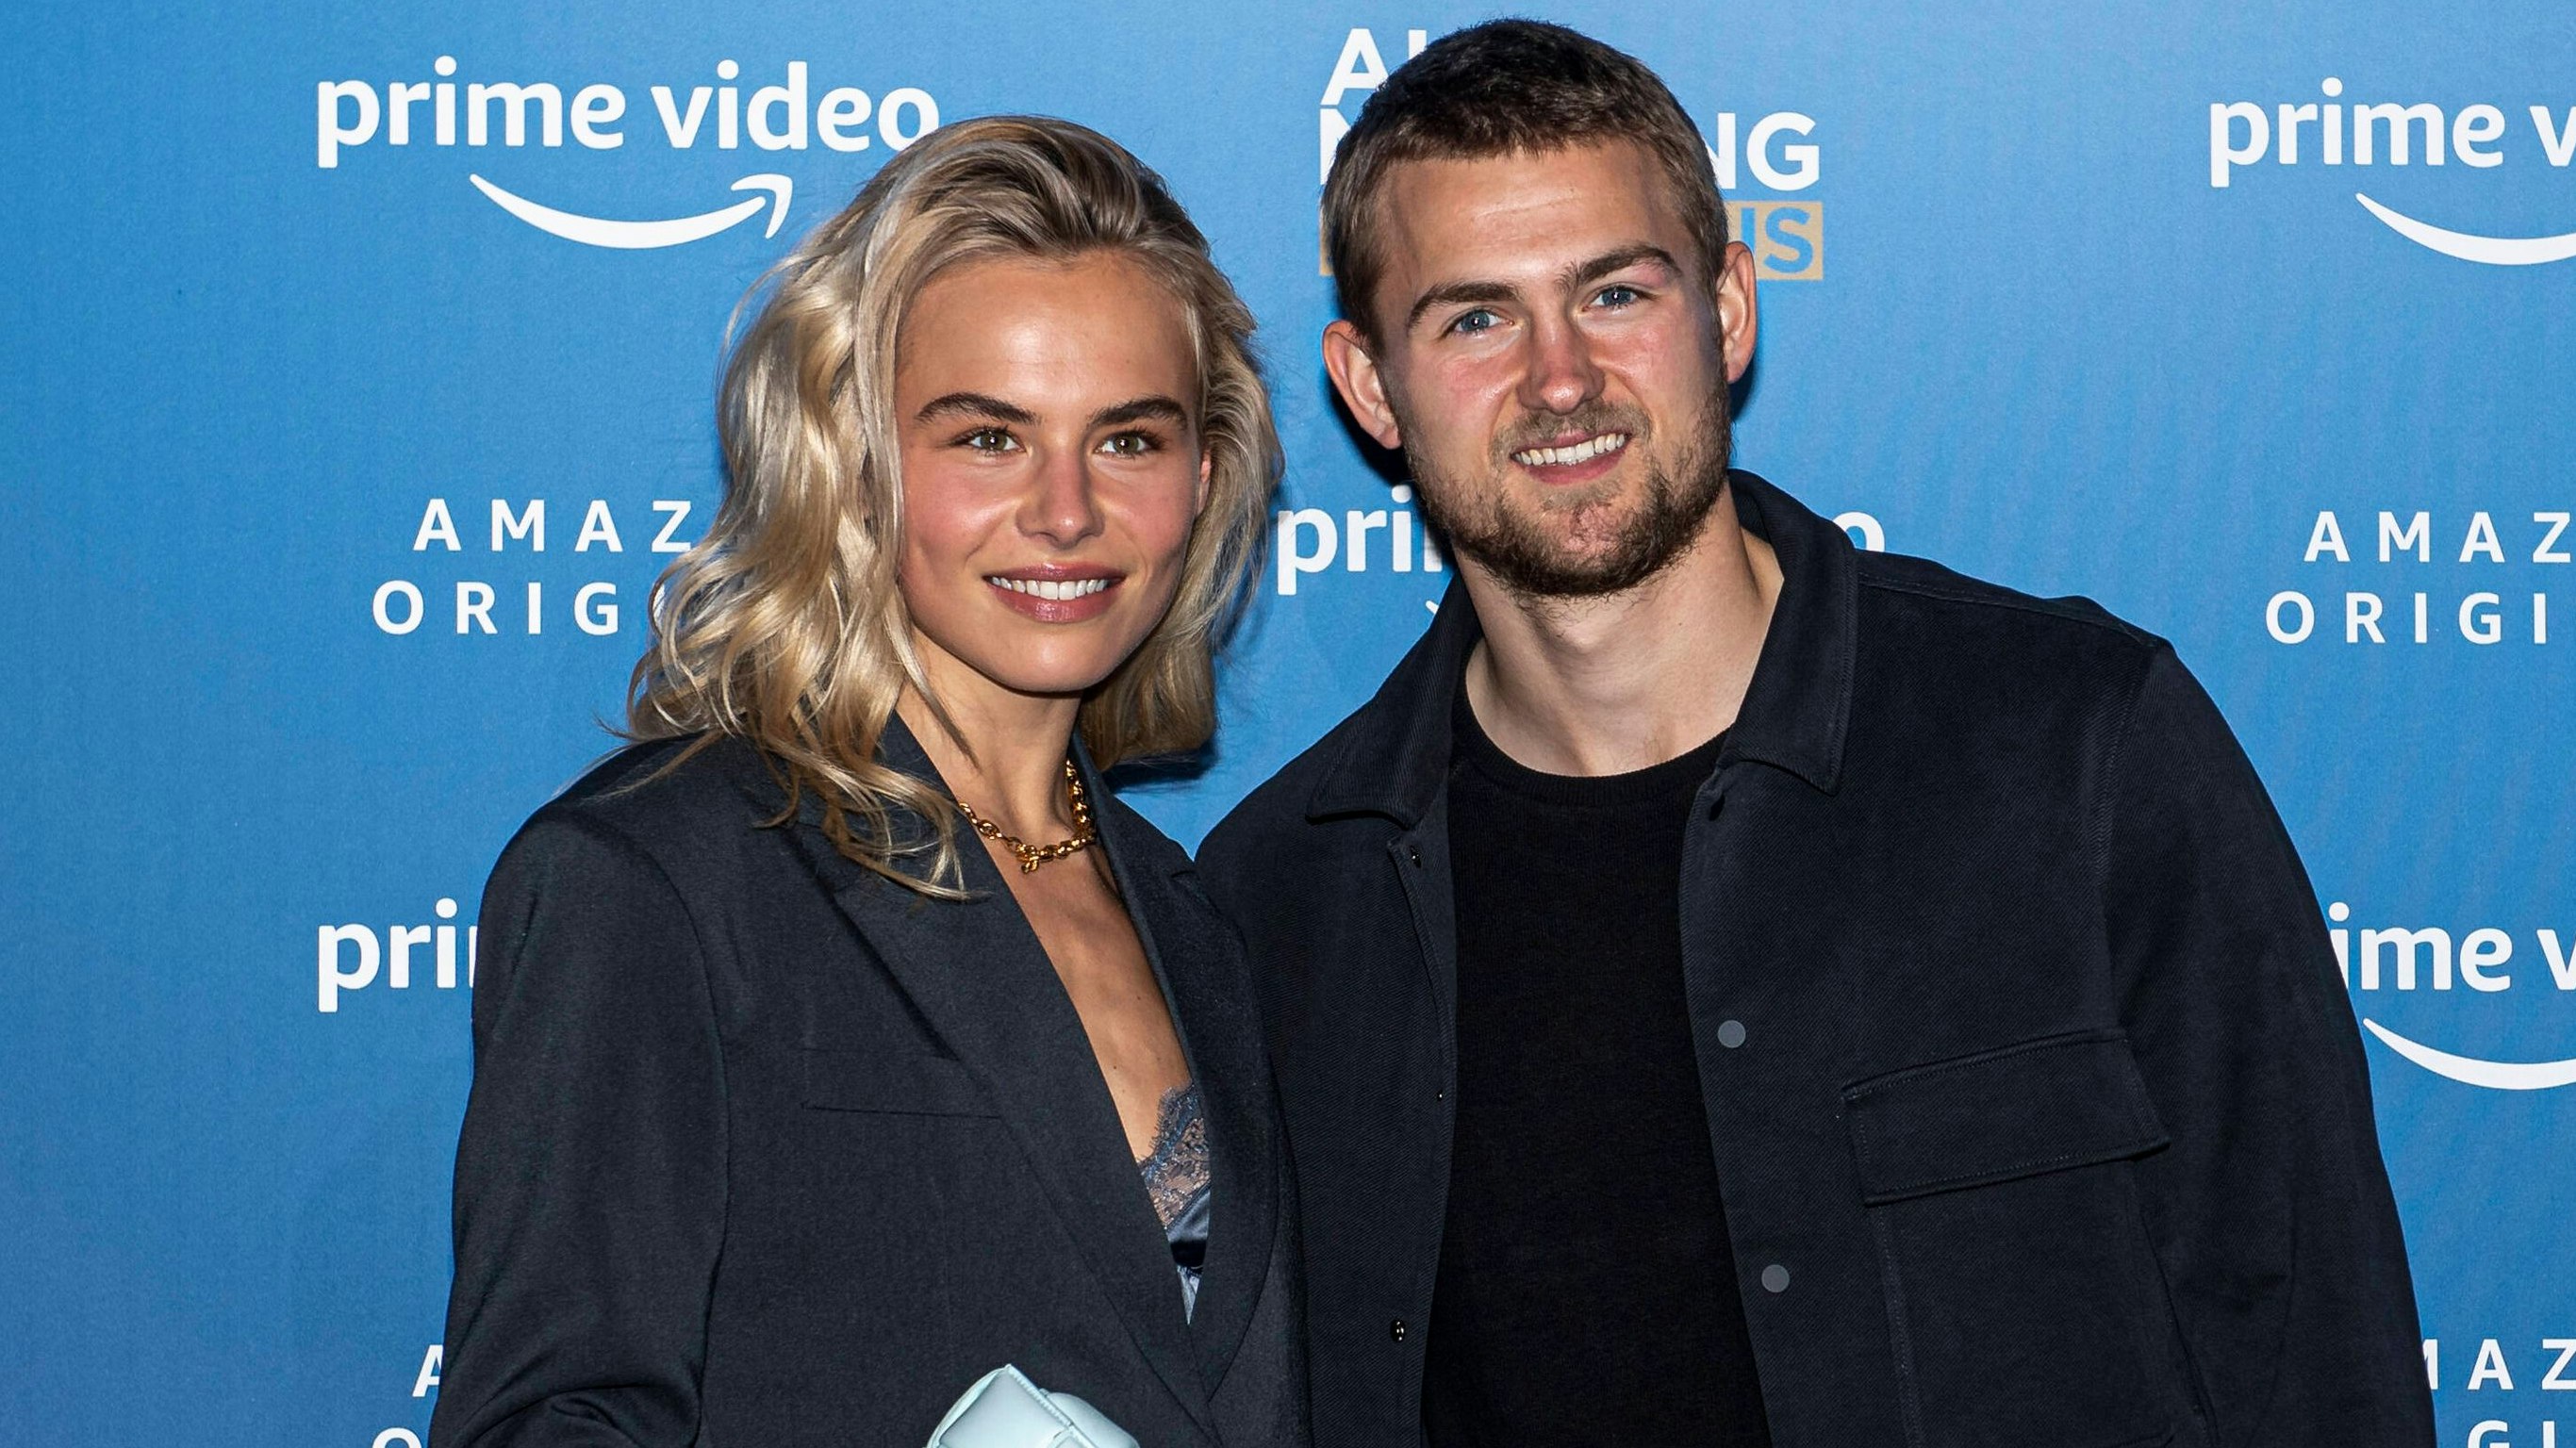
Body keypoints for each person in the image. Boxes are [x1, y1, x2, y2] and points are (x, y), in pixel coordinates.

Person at [1198, 21, 2433, 1448]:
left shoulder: (2076, 753)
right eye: (1475, 318)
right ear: (1369, 387)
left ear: (1726, 310)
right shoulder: (1288, 897)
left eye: (1613, 292)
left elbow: (2314, 1355)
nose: (1559, 377)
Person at [429, 116, 1306, 1448]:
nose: (1066, 512)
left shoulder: (1194, 910)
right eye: (988, 439)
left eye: (1128, 439)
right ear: (850, 458)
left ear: (1205, 472)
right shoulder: (661, 880)